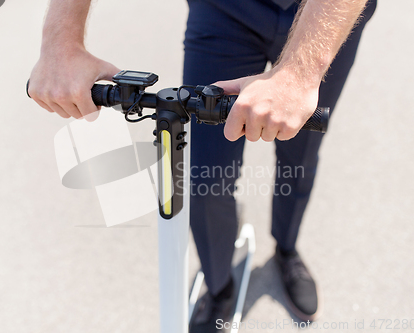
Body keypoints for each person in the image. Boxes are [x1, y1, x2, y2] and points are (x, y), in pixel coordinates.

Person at [28, 0, 376, 331]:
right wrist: (61, 40)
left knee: (299, 154)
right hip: (224, 12)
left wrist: (301, 71)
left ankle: (286, 250)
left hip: (323, 14)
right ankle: (218, 285)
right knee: (204, 180)